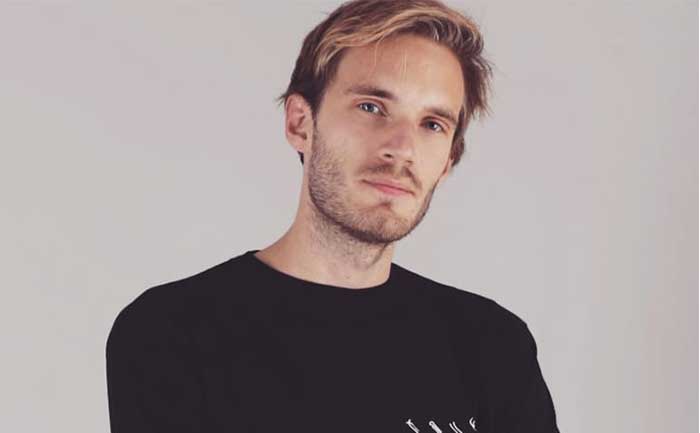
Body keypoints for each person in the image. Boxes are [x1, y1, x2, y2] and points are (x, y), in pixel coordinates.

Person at [105, 1, 560, 432]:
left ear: (447, 162)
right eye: (371, 107)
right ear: (301, 124)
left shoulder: (492, 346)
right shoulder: (173, 332)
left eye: (432, 124)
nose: (401, 149)